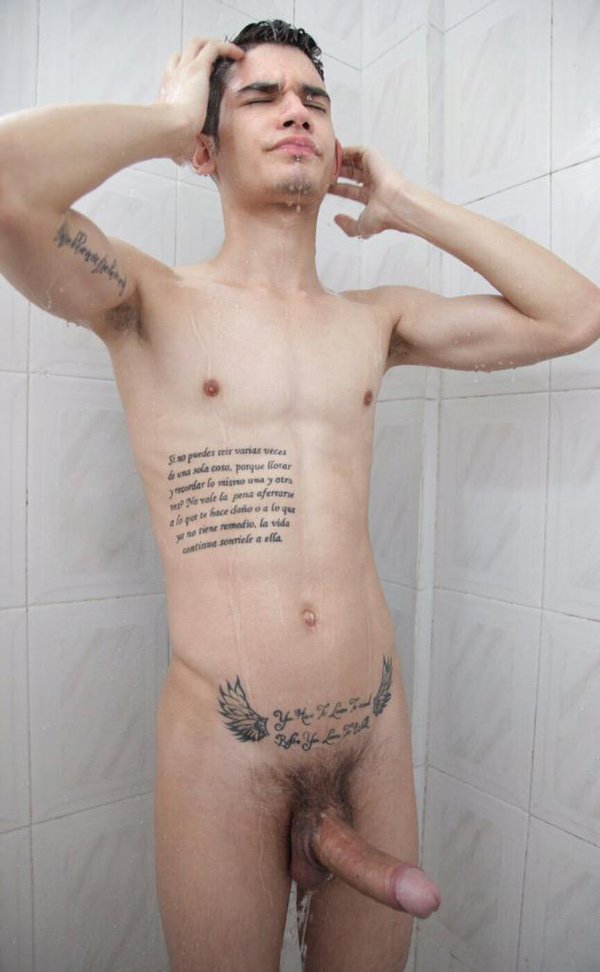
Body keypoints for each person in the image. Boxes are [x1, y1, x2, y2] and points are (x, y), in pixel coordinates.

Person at [1, 17, 599, 972]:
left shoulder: (377, 322)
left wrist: (407, 204)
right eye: (262, 96)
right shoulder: (146, 301)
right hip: (223, 756)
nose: (297, 112)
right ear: (207, 148)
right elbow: (7, 186)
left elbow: (573, 314)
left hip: (374, 741)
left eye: (315, 98)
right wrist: (167, 122)